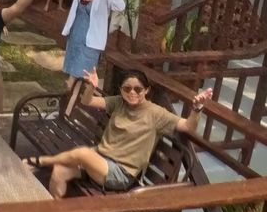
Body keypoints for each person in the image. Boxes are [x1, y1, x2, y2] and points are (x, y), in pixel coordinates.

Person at [26, 69, 213, 196]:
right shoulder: (118, 102)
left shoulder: (156, 114)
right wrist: (91, 86)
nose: (132, 93)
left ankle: (39, 162)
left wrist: (197, 109)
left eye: (138, 89)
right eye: (127, 89)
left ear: (146, 90)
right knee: (59, 172)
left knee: (82, 153)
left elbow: (187, 126)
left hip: (121, 173)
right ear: (121, 90)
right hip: (99, 161)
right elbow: (87, 101)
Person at [55, 0, 126, 85]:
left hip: (92, 42)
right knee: (74, 75)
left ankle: (71, 96)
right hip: (75, 38)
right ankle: (72, 96)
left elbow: (120, 6)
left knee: (80, 76)